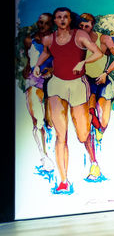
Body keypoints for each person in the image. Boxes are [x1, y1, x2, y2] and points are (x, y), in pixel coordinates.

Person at [33, 7, 103, 192]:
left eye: (65, 17)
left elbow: (98, 53)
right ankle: (63, 181)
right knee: (60, 135)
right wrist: (38, 66)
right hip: (57, 85)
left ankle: (93, 160)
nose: (62, 20)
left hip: (78, 85)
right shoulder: (49, 38)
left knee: (82, 134)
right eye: (58, 17)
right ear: (54, 20)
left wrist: (83, 62)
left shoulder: (79, 35)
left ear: (70, 19)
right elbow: (46, 52)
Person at [79, 13, 114, 180]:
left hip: (103, 80)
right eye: (81, 26)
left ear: (93, 25)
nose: (84, 29)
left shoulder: (104, 39)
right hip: (85, 84)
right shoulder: (77, 41)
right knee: (88, 121)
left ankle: (100, 133)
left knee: (103, 123)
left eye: (87, 25)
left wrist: (106, 72)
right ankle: (94, 164)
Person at [23, 13, 55, 171]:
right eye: (40, 22)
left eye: (45, 23)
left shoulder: (56, 40)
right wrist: (27, 70)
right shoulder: (30, 40)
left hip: (52, 84)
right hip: (34, 83)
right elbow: (29, 60)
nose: (42, 25)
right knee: (38, 121)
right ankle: (44, 156)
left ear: (51, 25)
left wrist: (51, 70)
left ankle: (52, 152)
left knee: (50, 123)